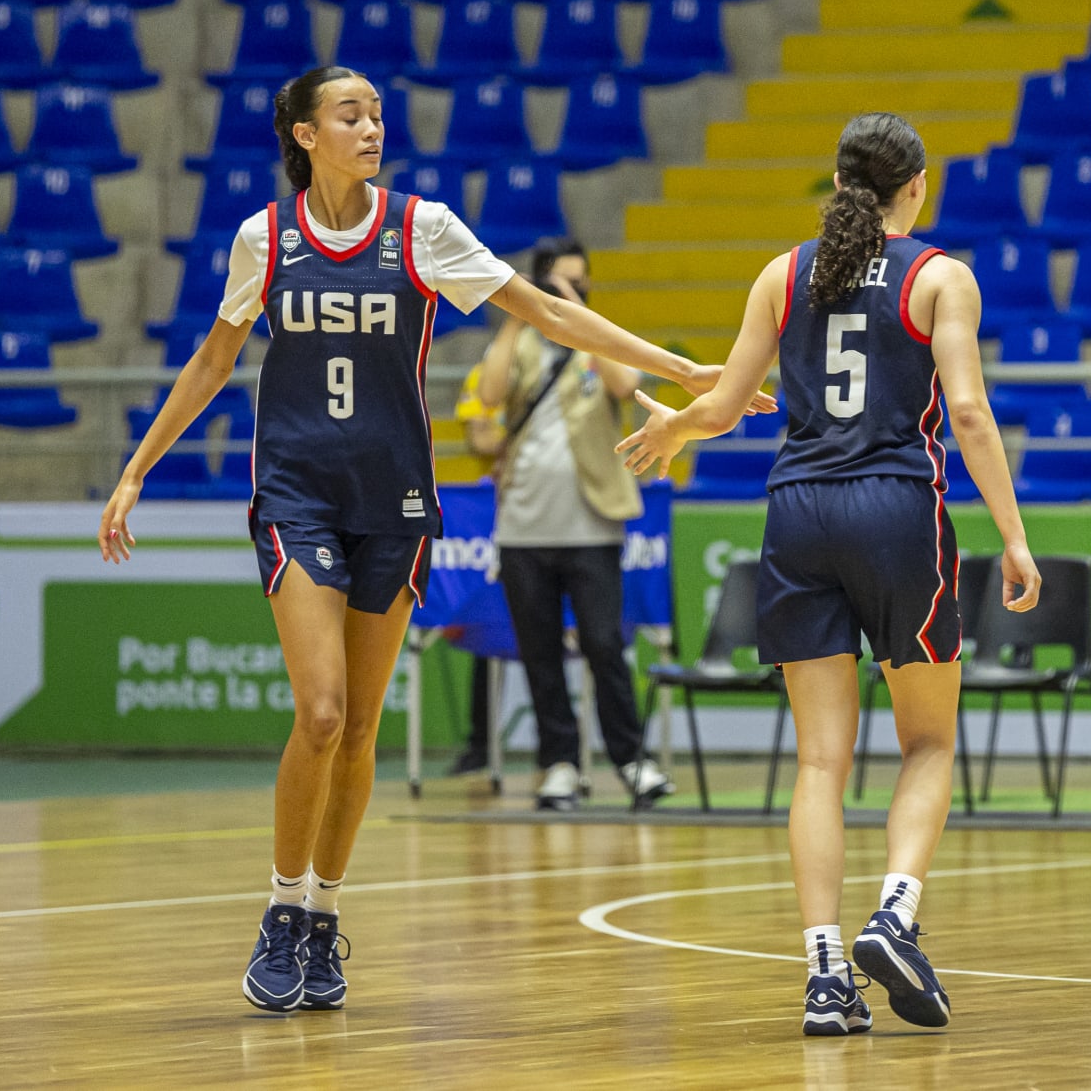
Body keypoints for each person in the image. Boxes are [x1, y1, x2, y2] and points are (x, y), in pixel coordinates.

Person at [97, 66, 760, 1015]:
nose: (372, 128)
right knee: (320, 712)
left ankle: (325, 915)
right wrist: (136, 469)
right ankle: (283, 908)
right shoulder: (265, 239)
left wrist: (675, 364)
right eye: (349, 115)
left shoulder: (421, 227)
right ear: (302, 134)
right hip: (296, 495)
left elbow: (549, 311)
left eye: (376, 114)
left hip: (394, 500)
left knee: (362, 725)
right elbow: (213, 358)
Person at [617, 112, 1042, 1037]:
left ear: (840, 181)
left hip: (798, 510)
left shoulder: (785, 271)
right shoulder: (941, 277)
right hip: (895, 506)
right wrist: (1013, 535)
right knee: (928, 742)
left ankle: (821, 971)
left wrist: (672, 429)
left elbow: (726, 404)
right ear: (916, 186)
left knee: (819, 759)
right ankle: (892, 913)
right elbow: (966, 412)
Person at [465, 236, 672, 809]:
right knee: (540, 652)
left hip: (593, 525)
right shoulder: (523, 343)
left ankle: (631, 761)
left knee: (605, 645)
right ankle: (558, 764)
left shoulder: (596, 341)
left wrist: (580, 316)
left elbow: (624, 385)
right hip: (524, 528)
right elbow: (489, 391)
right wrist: (517, 313)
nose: (572, 291)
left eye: (580, 283)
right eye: (562, 282)